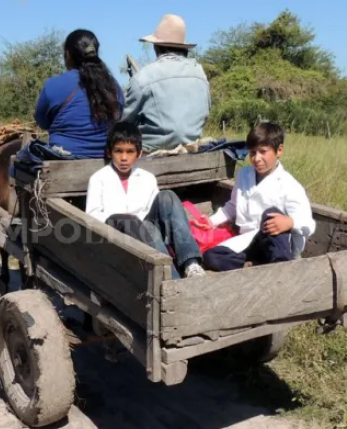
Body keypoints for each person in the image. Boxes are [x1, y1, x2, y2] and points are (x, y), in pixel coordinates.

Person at [85, 121, 205, 278]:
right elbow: (92, 217)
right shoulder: (99, 178)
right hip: (119, 237)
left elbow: (155, 213)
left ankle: (191, 264)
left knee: (167, 196)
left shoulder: (147, 178)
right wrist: (121, 219)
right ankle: (170, 278)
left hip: (149, 233)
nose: (123, 158)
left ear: (139, 153)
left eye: (130, 152)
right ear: (109, 152)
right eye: (118, 151)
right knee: (137, 225)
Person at [197, 122, 316, 272]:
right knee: (211, 256)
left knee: (271, 214)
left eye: (263, 151)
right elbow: (233, 206)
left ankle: (282, 267)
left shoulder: (289, 185)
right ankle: (255, 266)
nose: (257, 158)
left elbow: (308, 223)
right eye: (253, 153)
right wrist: (211, 221)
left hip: (276, 243)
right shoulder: (244, 175)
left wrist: (289, 222)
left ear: (279, 150)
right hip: (251, 242)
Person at [121, 14, 211, 153]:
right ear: (183, 48)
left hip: (151, 154)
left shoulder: (143, 78)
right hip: (194, 149)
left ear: (156, 47)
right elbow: (206, 112)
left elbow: (125, 125)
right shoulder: (200, 74)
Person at [34, 29, 125, 158]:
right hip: (106, 159)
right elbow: (118, 117)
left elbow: (42, 121)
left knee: (17, 165)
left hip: (63, 159)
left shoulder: (53, 85)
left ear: (68, 55)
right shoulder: (114, 86)